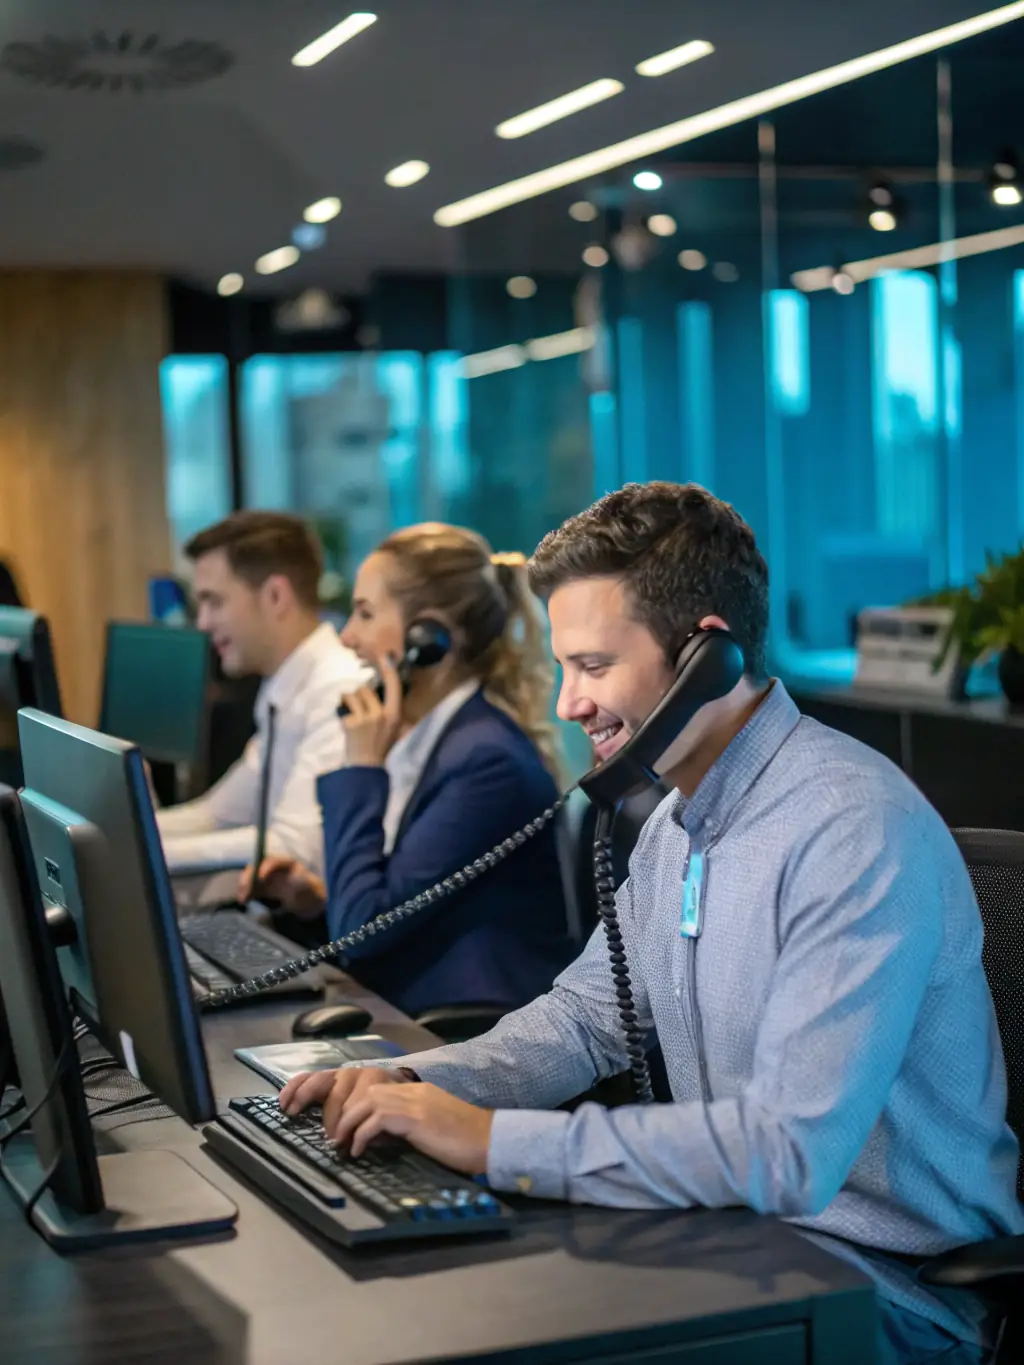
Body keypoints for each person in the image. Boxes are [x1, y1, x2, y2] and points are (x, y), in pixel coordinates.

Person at [282, 483, 1023, 1364]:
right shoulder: (675, 820)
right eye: (563, 667)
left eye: (594, 666)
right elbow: (585, 1018)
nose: (568, 703)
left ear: (705, 656)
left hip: (882, 1291)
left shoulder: (852, 830)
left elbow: (787, 1153)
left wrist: (490, 1140)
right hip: (732, 1241)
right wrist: (412, 1080)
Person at [240, 522, 571, 1016]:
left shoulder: (486, 761)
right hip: (400, 1000)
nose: (348, 636)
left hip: (461, 1026)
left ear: (429, 637)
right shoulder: (434, 738)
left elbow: (362, 934)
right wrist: (317, 900)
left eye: (366, 614)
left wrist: (361, 767)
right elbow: (396, 906)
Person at [157, 511, 366, 876]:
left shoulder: (336, 690)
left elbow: (293, 846)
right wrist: (120, 835)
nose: (203, 622)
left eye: (214, 602)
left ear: (275, 596)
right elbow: (218, 815)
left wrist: (141, 853)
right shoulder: (281, 686)